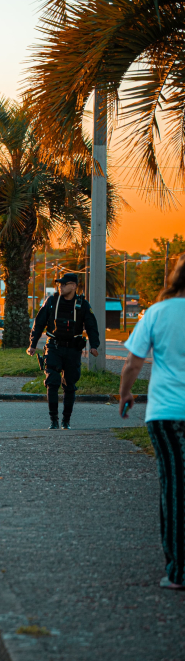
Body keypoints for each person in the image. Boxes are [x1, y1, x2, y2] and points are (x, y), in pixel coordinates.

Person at [119, 252, 185, 591]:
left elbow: (132, 363)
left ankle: (179, 570)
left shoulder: (157, 312)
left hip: (167, 413)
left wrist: (125, 394)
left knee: (174, 487)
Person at [28, 273, 99, 430]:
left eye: (64, 284)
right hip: (54, 346)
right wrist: (32, 344)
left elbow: (92, 326)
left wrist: (94, 345)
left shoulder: (83, 305)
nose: (61, 286)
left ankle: (66, 421)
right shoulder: (51, 301)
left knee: (69, 384)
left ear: (74, 286)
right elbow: (39, 323)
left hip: (73, 349)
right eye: (59, 284)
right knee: (52, 382)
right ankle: (53, 420)